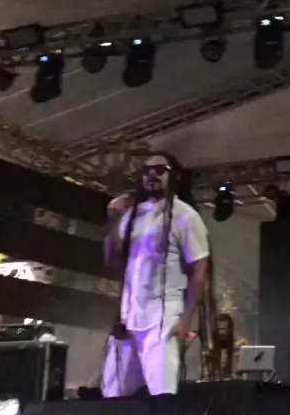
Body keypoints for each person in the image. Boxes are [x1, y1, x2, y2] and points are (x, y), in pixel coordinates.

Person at [101, 151, 211, 397]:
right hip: (128, 317)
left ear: (174, 177)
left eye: (160, 170)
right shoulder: (132, 215)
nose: (152, 174)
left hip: (163, 319)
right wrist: (114, 220)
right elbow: (111, 259)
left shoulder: (185, 216)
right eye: (147, 170)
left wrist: (186, 319)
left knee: (162, 394)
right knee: (114, 395)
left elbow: (199, 271)